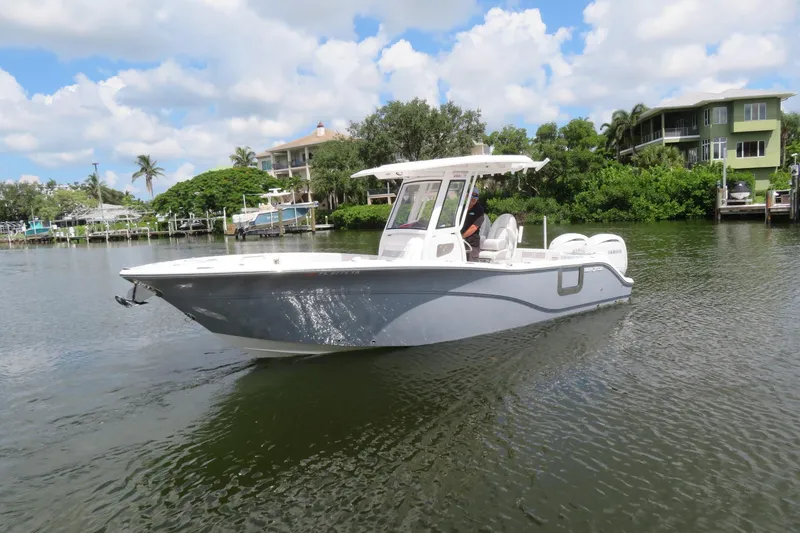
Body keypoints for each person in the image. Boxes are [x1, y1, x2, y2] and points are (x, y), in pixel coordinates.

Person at [461, 186, 485, 261]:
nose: (474, 197)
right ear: (467, 196)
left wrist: (462, 236)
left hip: (472, 243)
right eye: (472, 194)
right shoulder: (462, 208)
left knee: (471, 261)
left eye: (476, 195)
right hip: (461, 241)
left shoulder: (479, 209)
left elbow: (474, 227)